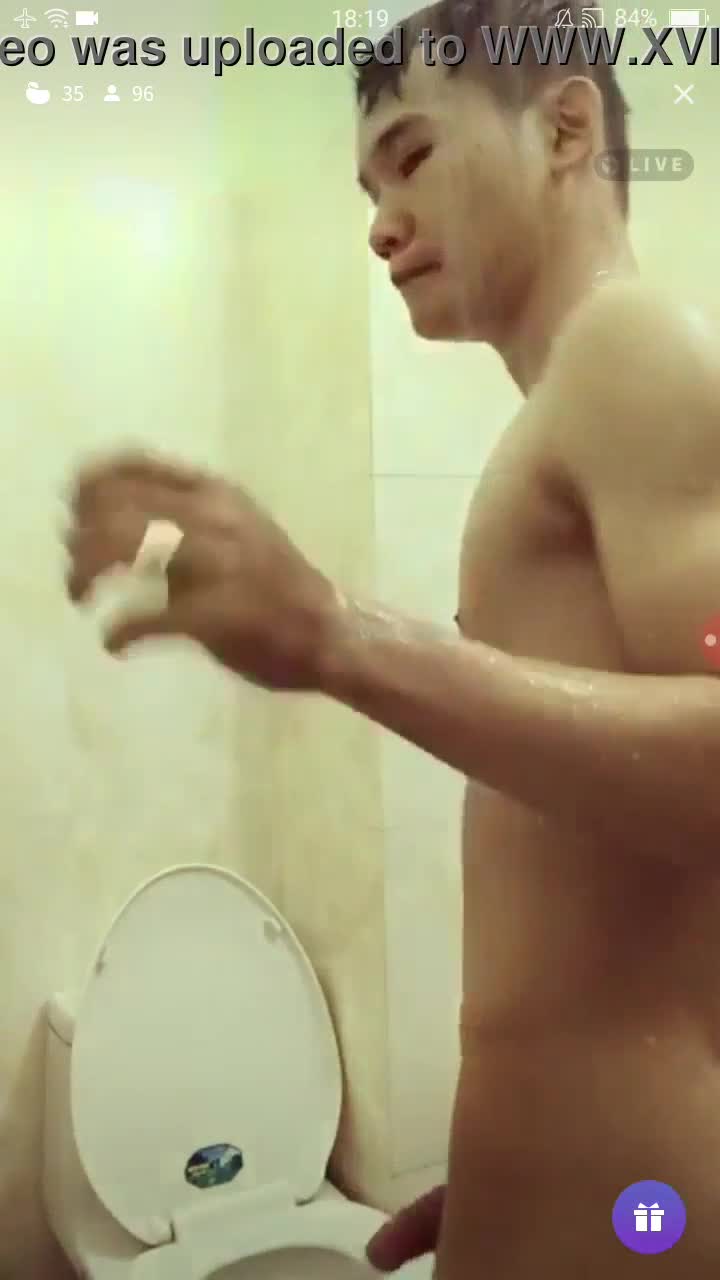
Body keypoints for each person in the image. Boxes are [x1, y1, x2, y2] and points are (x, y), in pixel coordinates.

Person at [64, 0, 720, 1275]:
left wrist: (336, 633)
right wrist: (514, 1156)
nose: (378, 221)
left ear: (565, 129)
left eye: (412, 156)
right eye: (370, 187)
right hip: (581, 1193)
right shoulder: (554, 422)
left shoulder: (632, 349)